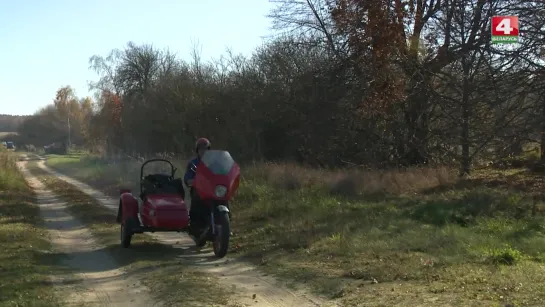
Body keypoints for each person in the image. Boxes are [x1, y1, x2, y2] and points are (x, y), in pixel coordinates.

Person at [184, 137, 211, 238]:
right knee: (196, 200)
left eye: (205, 149)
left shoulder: (214, 162)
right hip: (199, 190)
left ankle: (225, 222)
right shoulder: (193, 163)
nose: (203, 151)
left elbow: (222, 171)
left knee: (223, 198)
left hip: (213, 190)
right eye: (201, 149)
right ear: (197, 151)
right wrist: (190, 180)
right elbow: (188, 177)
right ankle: (195, 225)